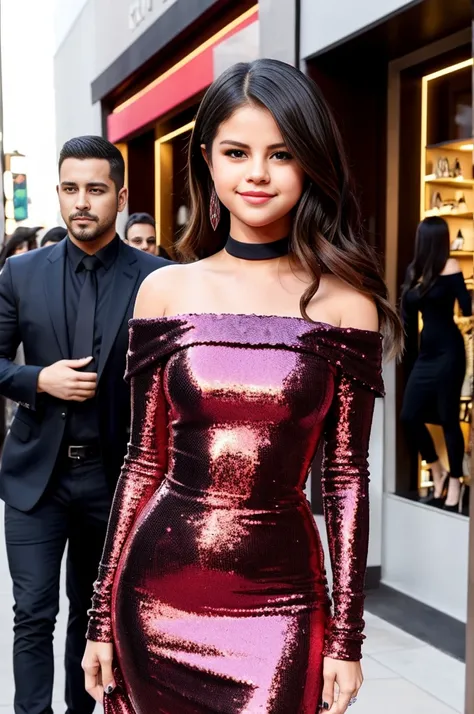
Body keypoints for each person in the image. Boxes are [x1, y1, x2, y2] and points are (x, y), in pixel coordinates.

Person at [84, 59, 402, 714]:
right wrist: (97, 616)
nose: (256, 173)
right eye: (236, 151)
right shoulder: (166, 290)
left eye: (281, 153)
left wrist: (347, 635)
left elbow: (344, 478)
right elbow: (143, 461)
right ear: (207, 159)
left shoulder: (347, 305)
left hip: (281, 603)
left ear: (310, 162)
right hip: (156, 596)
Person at [0, 135, 169, 714]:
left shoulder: (158, 278)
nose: (81, 202)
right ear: (58, 192)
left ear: (120, 197)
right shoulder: (20, 273)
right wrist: (38, 379)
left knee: (93, 616)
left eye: (95, 190)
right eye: (71, 189)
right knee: (32, 614)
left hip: (114, 481)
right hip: (34, 482)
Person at [401, 216, 472, 511]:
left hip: (450, 353)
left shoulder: (452, 268)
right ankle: (436, 467)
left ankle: (456, 479)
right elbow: (406, 317)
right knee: (409, 415)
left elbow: (466, 309)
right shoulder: (414, 271)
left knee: (447, 418)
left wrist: (463, 290)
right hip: (426, 354)